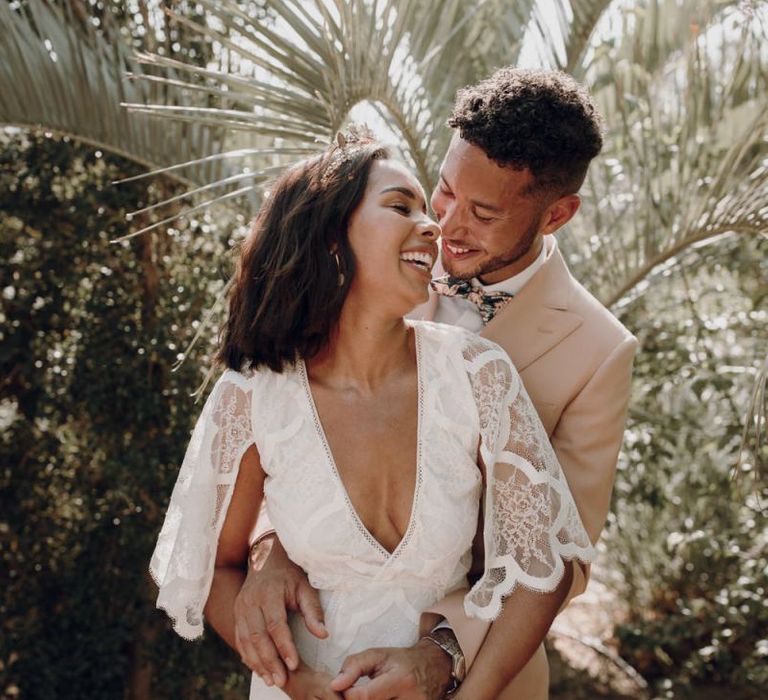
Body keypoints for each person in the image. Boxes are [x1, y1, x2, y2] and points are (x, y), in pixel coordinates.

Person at [233, 69, 638, 699]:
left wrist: (441, 650)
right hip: (319, 653)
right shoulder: (381, 261)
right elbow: (285, 424)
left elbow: (565, 556)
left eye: (482, 213)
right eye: (445, 191)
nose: (446, 225)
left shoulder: (599, 349)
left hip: (483, 674)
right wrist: (272, 550)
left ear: (556, 214)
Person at [149, 132, 594, 699]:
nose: (433, 226)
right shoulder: (253, 397)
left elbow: (540, 569)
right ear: (331, 239)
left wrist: (465, 691)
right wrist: (294, 681)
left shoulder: (477, 373)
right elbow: (216, 566)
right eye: (399, 206)